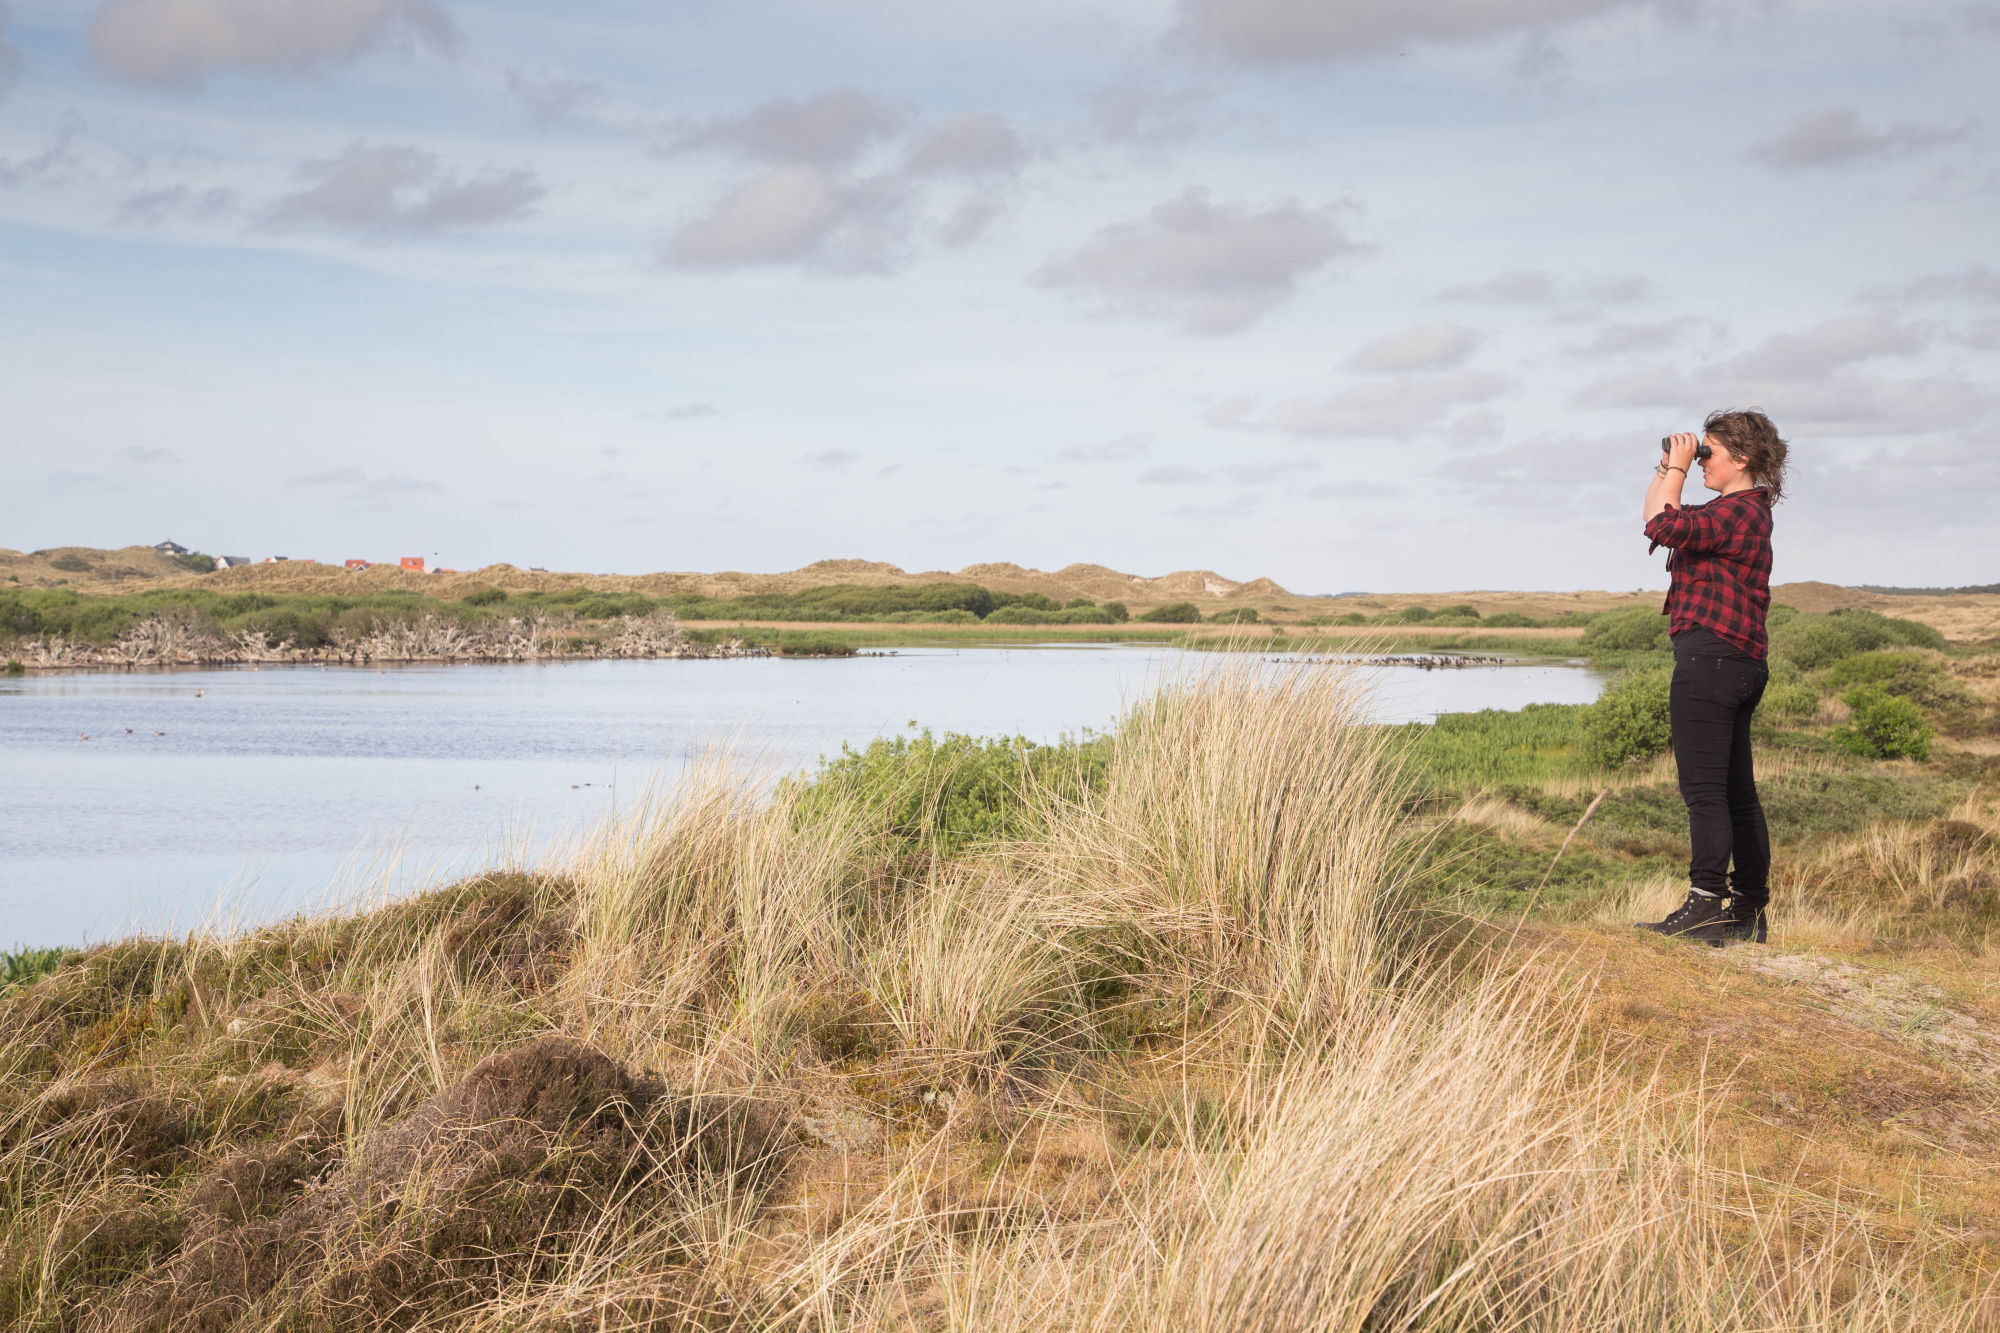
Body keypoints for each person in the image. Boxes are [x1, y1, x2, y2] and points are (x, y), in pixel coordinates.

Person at [1635, 409, 1790, 947]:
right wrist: (1666, 465)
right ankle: (1746, 913)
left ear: (1740, 459)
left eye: (1709, 452)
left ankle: (1704, 905)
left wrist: (1675, 468)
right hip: (1739, 662)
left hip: (1712, 660)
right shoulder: (1741, 511)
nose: (1701, 460)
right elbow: (1660, 516)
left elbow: (1663, 525)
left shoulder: (1740, 512)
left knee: (1705, 793)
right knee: (1736, 793)